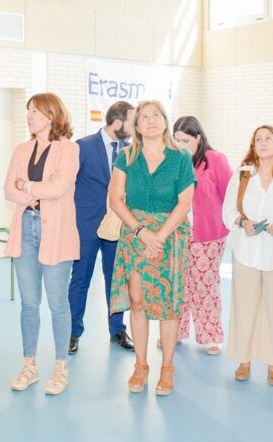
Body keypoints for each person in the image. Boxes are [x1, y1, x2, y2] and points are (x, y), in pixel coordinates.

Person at [109, 100, 195, 396]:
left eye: (156, 115)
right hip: (135, 234)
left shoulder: (181, 156)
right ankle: (141, 365)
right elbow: (116, 199)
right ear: (136, 126)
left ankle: (167, 367)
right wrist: (141, 231)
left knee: (169, 305)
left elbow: (185, 202)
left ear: (165, 121)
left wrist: (159, 236)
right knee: (138, 300)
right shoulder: (126, 157)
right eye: (144, 117)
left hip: (171, 236)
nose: (150, 120)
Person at [4, 93, 79, 396]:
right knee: (28, 303)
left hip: (56, 231)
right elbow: (9, 189)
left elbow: (61, 187)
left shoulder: (69, 149)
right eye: (28, 111)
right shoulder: (22, 149)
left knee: (58, 303)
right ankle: (30, 365)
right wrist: (32, 192)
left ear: (51, 115)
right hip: (25, 228)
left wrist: (28, 187)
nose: (29, 115)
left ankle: (60, 367)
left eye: (35, 111)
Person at [222, 125, 273, 387]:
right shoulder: (242, 176)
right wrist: (242, 222)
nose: (263, 143)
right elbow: (227, 212)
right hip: (246, 251)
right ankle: (244, 360)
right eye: (258, 139)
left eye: (268, 138)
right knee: (244, 306)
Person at [67, 101, 135, 355]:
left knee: (116, 280)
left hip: (118, 225)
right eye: (131, 122)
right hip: (86, 225)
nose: (134, 128)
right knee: (80, 278)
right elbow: (69, 185)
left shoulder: (130, 152)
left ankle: (117, 329)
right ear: (117, 122)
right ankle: (73, 331)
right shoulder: (82, 147)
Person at [173, 116, 232, 355]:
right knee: (179, 284)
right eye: (176, 140)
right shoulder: (175, 161)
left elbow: (230, 194)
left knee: (205, 285)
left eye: (185, 140)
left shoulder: (215, 160)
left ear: (198, 137)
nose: (181, 145)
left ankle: (211, 336)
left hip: (208, 234)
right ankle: (176, 331)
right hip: (179, 232)